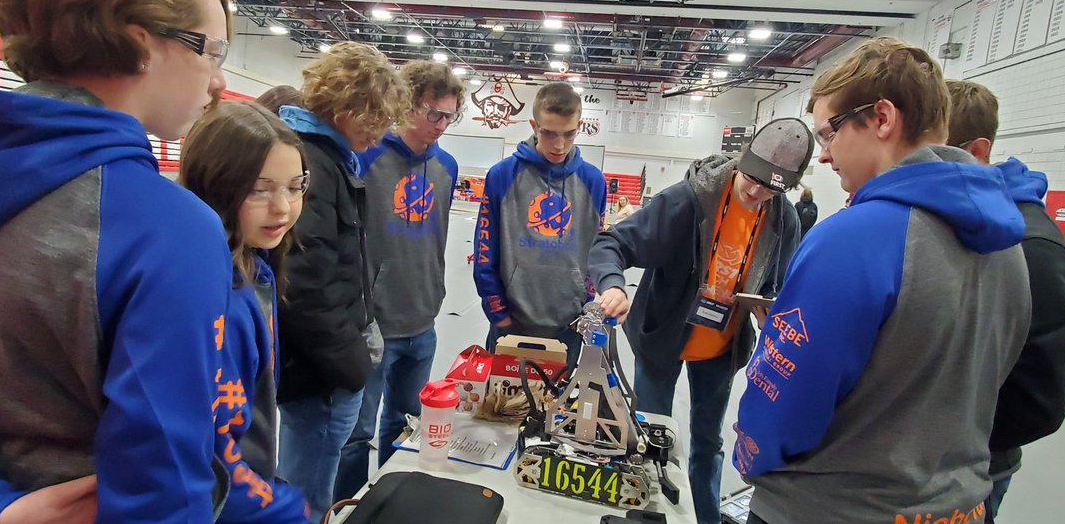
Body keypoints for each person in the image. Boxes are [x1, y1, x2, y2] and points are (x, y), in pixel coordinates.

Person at [0, 0, 235, 522]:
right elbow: (162, 486)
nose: (218, 79)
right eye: (210, 50)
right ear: (139, 42)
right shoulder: (166, 230)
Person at [731, 37, 1030, 524]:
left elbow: (785, 395)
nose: (824, 156)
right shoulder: (1007, 245)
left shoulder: (855, 238)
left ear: (882, 119)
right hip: (957, 504)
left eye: (828, 134)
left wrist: (752, 453)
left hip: (834, 507)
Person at [590, 118, 810, 524]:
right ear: (742, 160)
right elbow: (612, 243)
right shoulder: (688, 202)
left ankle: (706, 518)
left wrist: (771, 306)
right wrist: (614, 285)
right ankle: (644, 515)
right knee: (649, 440)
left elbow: (781, 282)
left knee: (708, 445)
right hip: (663, 342)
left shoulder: (784, 220)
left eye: (772, 188)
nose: (757, 191)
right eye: (753, 178)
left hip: (721, 349)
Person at [274, 41, 409, 522]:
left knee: (307, 481)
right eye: (374, 120)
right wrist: (350, 364)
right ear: (348, 105)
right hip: (322, 375)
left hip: (324, 368)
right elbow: (305, 283)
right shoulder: (312, 162)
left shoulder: (328, 159)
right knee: (305, 494)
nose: (379, 135)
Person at [946, 79, 1065, 523]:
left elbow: (1038, 398)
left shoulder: (1032, 247)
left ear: (978, 150)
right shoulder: (939, 225)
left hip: (969, 467)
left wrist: (947, 434)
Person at [178, 101, 313, 523]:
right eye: (259, 188)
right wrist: (281, 507)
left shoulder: (254, 266)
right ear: (215, 185)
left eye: (295, 186)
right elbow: (211, 449)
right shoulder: (214, 291)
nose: (283, 207)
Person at [334, 60, 463, 500]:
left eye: (450, 116)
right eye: (434, 114)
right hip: (372, 326)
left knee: (406, 425)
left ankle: (393, 504)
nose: (442, 125)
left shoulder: (447, 167)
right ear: (406, 104)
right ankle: (347, 509)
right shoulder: (365, 157)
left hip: (422, 320)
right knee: (356, 435)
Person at [473, 82, 606, 367]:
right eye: (549, 133)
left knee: (556, 411)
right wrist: (500, 316)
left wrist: (583, 306)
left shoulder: (593, 181)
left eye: (569, 134)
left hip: (566, 328)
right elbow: (485, 251)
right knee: (501, 409)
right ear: (534, 125)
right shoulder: (502, 175)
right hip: (510, 324)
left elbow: (597, 250)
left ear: (579, 125)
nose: (559, 145)